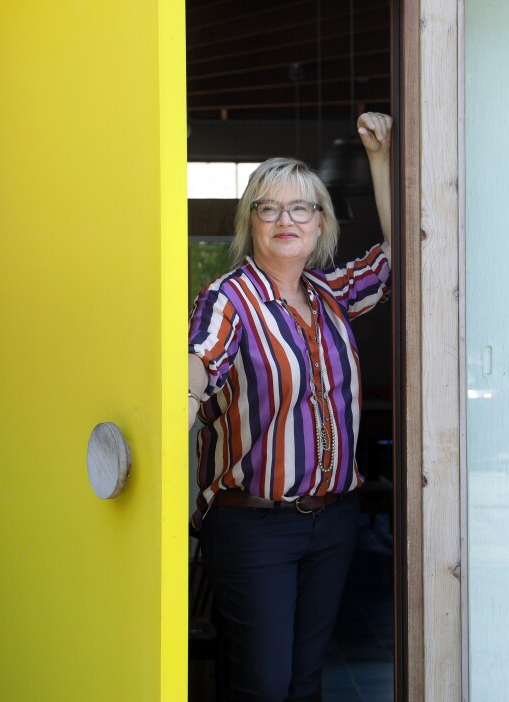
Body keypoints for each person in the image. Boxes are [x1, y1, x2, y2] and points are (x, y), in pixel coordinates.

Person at [187, 112, 393, 701]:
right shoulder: (229, 297)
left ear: (320, 222)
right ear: (249, 221)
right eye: (268, 207)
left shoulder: (329, 295)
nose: (286, 219)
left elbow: (403, 255)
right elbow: (203, 359)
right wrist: (183, 395)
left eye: (302, 207)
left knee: (304, 683)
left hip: (332, 520)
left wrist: (380, 159)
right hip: (253, 525)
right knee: (265, 685)